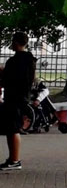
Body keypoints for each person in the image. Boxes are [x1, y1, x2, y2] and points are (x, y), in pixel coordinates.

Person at [0, 32, 35, 170]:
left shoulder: (14, 61)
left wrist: (2, 72)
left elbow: (8, 79)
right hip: (22, 97)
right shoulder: (29, 60)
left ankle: (14, 160)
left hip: (13, 98)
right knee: (12, 128)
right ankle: (12, 159)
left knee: (13, 129)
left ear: (15, 42)